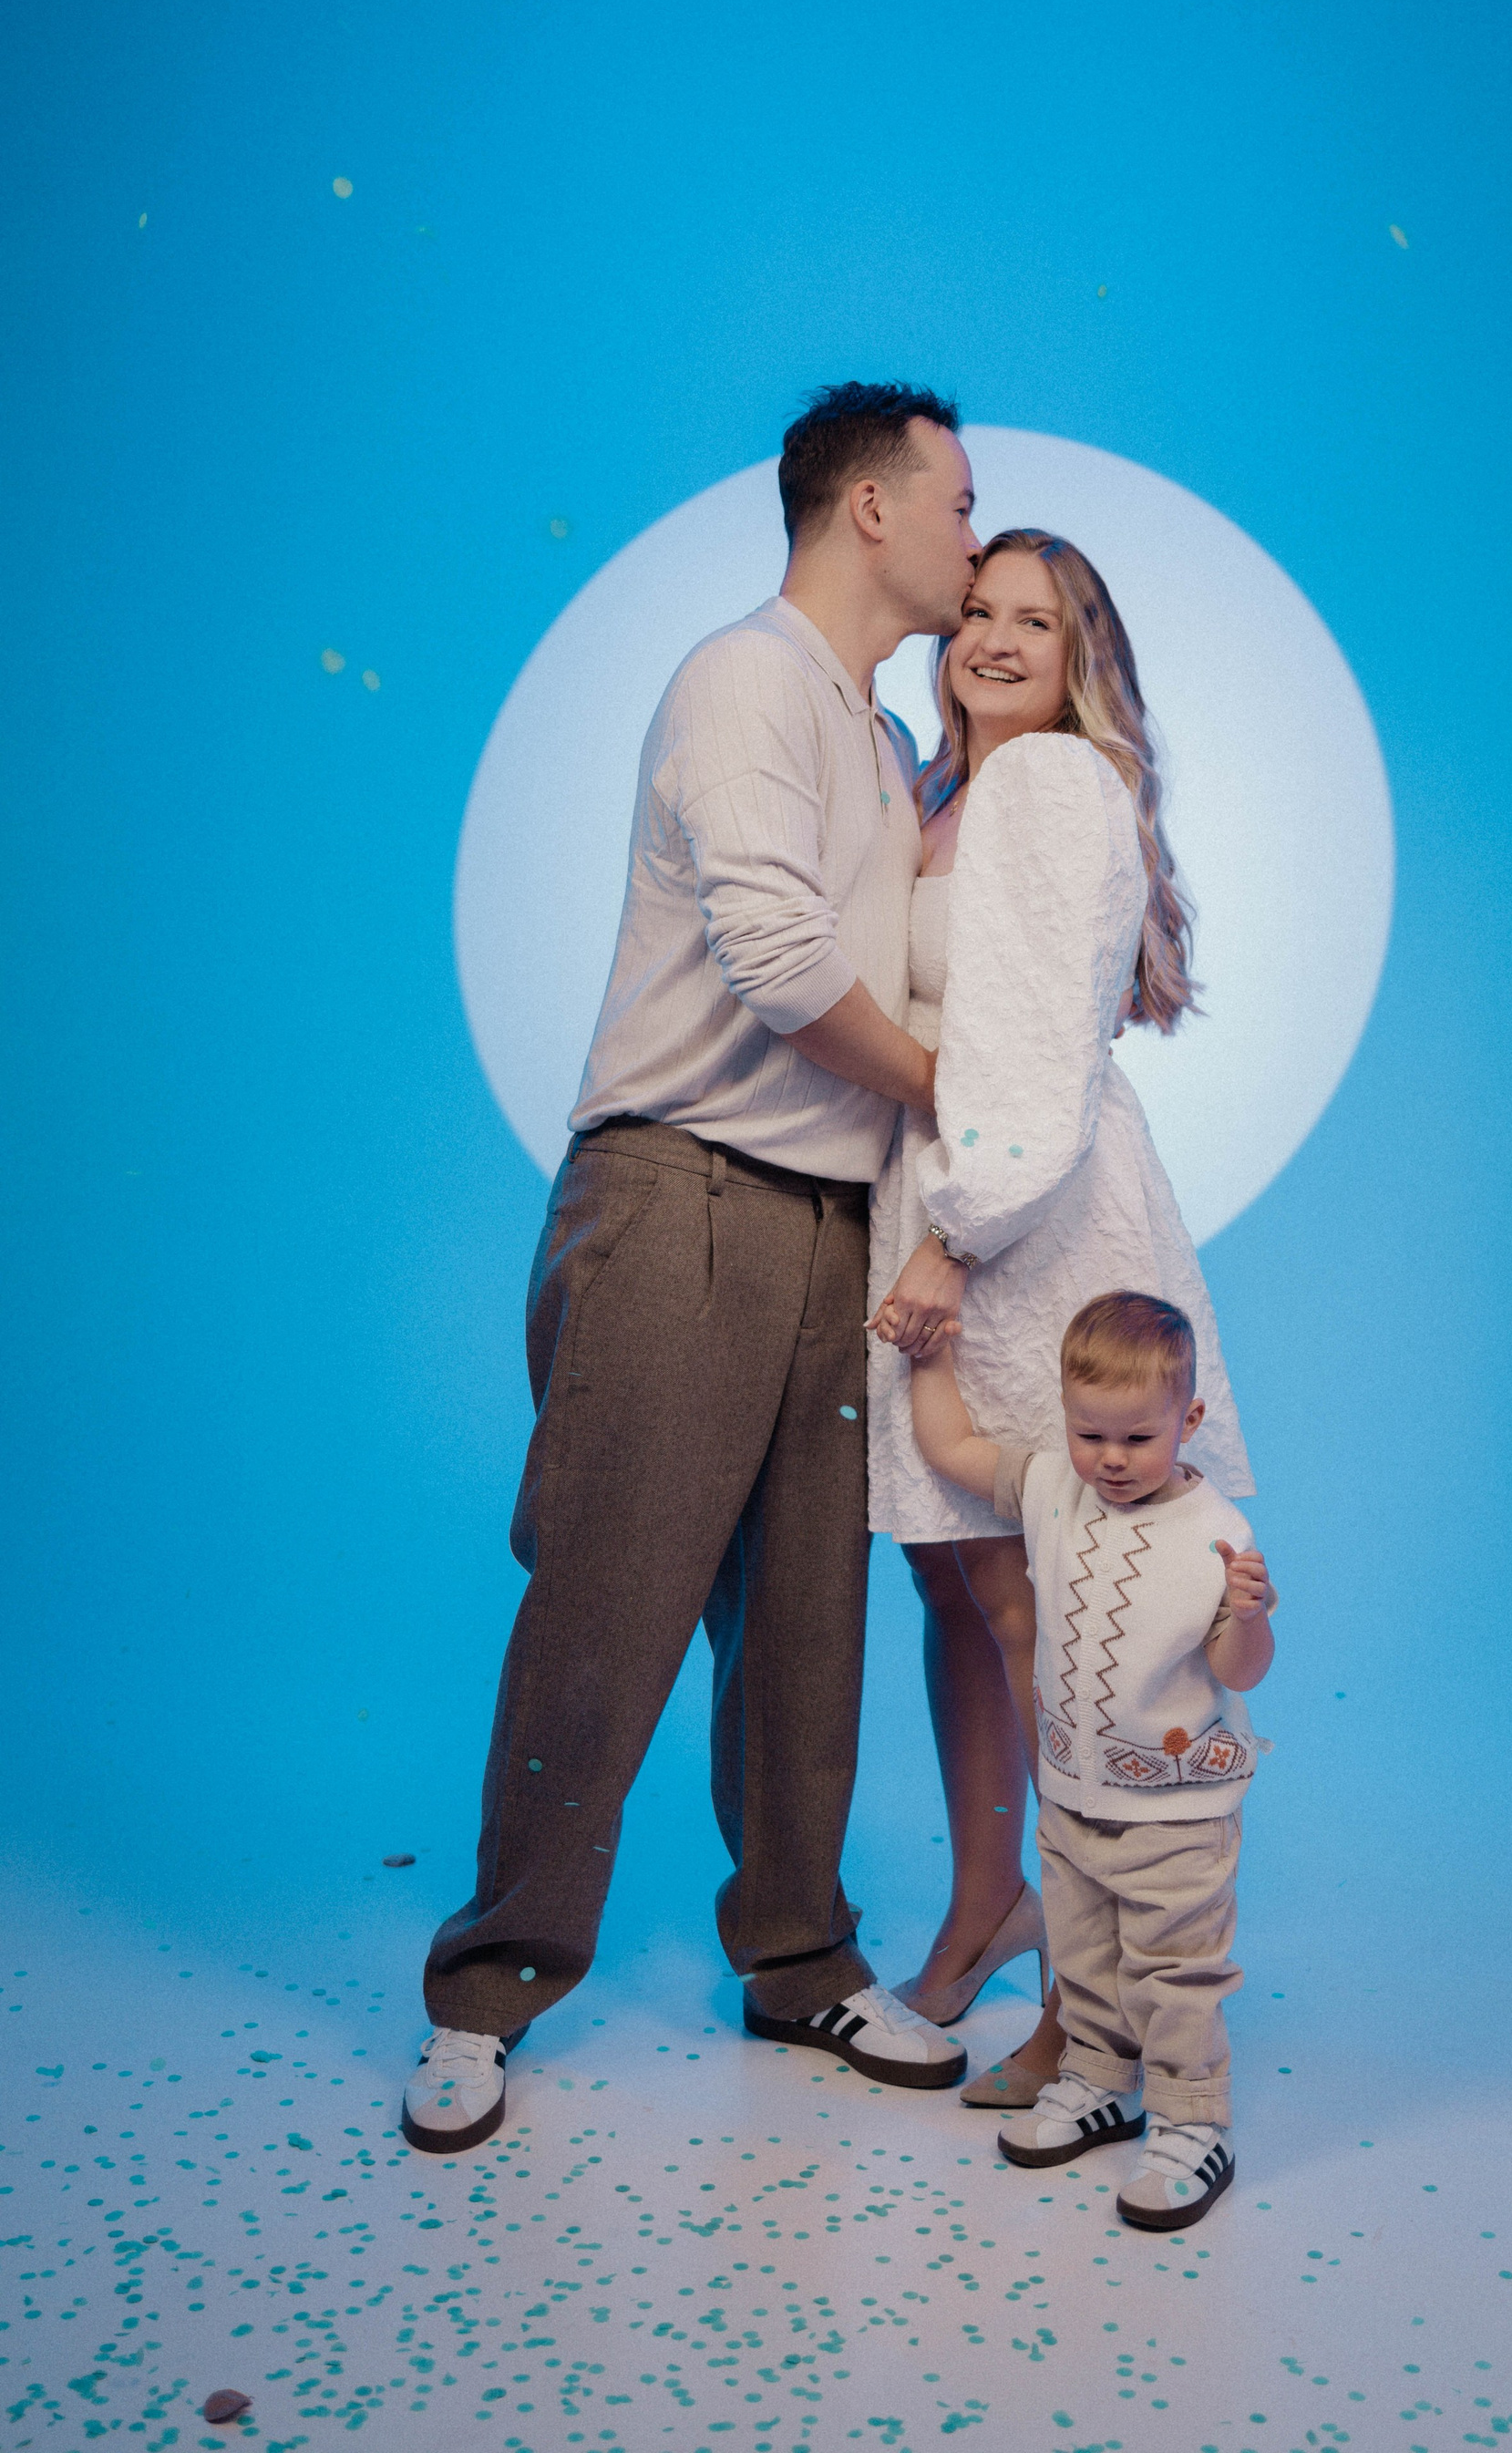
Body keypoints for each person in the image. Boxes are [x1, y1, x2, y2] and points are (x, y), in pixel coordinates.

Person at [403, 382, 984, 2155]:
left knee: (810, 1623)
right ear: (870, 506)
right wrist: (965, 1093)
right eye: (959, 502)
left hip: (832, 1221)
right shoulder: (744, 676)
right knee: (608, 1597)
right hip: (681, 1191)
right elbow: (775, 958)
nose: (974, 537)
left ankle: (801, 1962)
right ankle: (485, 1993)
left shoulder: (882, 735)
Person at [864, 529, 1254, 2108]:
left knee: (1043, 1607)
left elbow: (1037, 1042)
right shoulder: (941, 792)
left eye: (1039, 620)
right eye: (979, 611)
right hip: (944, 1201)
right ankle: (990, 1908)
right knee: (956, 1585)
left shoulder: (1049, 783)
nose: (998, 638)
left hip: (1022, 1224)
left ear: (1084, 656)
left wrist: (957, 1245)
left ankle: (1087, 2003)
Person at [908, 1290, 1275, 2231]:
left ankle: (1194, 2119)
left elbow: (1241, 1671)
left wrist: (1249, 1615)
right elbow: (952, 1449)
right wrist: (930, 1359)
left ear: (1190, 1418)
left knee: (1173, 1970)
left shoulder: (1217, 1533)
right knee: (1085, 1951)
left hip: (1177, 1810)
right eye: (1090, 1435)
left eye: (1138, 1439)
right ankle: (1100, 2081)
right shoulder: (1050, 1489)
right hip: (1073, 1792)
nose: (1111, 1459)